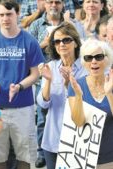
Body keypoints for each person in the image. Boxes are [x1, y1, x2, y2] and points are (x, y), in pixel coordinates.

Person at [0, 0, 45, 169]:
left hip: (23, 107)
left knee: (25, 153)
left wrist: (20, 86)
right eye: (1, 15)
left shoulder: (29, 41)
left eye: (9, 14)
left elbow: (35, 73)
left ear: (17, 13)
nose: (5, 18)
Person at [37, 22, 87, 169]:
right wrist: (48, 80)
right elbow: (43, 103)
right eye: (57, 41)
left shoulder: (87, 68)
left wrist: (68, 85)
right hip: (54, 138)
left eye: (66, 40)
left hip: (79, 139)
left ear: (76, 43)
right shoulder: (50, 67)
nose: (62, 44)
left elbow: (88, 102)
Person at [68, 38, 113, 168]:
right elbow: (78, 121)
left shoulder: (112, 82)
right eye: (88, 58)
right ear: (84, 62)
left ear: (107, 59)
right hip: (84, 157)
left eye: (98, 57)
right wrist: (78, 96)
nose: (94, 61)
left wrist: (109, 93)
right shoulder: (76, 85)